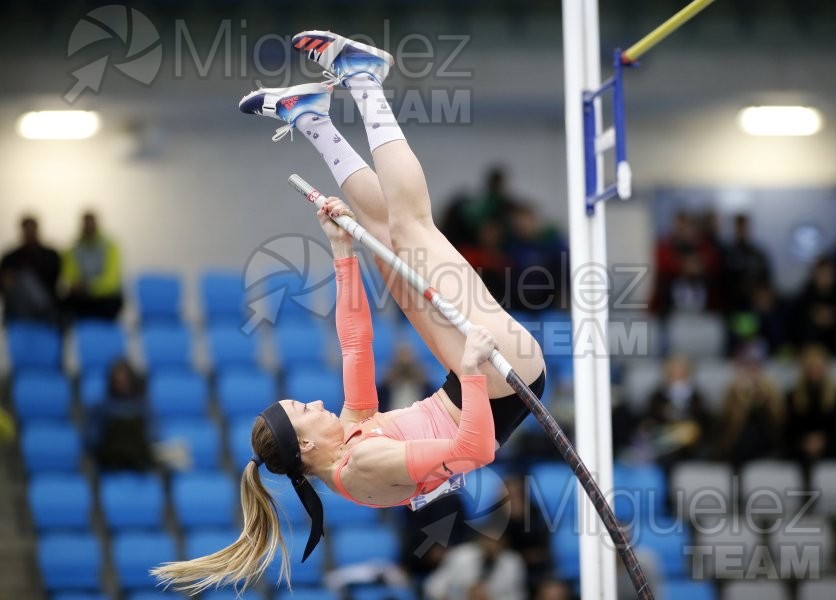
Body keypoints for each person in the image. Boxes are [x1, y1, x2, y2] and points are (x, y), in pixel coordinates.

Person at [152, 31, 546, 594]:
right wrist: (477, 371)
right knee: (413, 226)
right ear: (306, 445)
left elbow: (356, 345)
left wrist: (342, 251)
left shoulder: (349, 440)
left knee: (381, 235)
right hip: (499, 378)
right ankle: (363, 78)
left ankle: (313, 118)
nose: (314, 401)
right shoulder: (360, 467)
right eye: (304, 408)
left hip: (471, 376)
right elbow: (476, 450)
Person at [423, 516, 527, 600]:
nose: (491, 545)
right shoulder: (460, 555)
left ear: (504, 541)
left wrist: (489, 597)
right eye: (488, 539)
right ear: (480, 538)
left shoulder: (513, 563)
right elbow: (433, 586)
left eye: (496, 540)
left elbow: (518, 595)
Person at [635, 356, 711, 467]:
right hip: (663, 446)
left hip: (691, 448)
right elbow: (649, 421)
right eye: (673, 372)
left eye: (681, 372)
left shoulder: (697, 398)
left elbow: (703, 423)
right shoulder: (657, 397)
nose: (676, 376)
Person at [86, 359, 157, 471]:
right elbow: (93, 439)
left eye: (125, 380)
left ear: (132, 380)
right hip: (109, 463)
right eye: (118, 381)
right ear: (111, 382)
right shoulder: (101, 407)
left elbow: (153, 436)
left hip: (140, 465)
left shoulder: (143, 407)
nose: (122, 384)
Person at [784, 346, 836, 463]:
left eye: (818, 367)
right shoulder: (792, 397)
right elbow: (787, 432)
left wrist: (824, 442)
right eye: (811, 367)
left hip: (832, 455)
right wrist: (805, 443)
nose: (814, 371)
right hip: (799, 455)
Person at [715, 352, 784, 466]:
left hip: (766, 447)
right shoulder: (731, 394)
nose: (750, 376)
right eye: (747, 370)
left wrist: (765, 399)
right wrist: (739, 399)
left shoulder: (769, 394)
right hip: (736, 450)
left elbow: (777, 424)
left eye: (754, 370)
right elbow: (725, 426)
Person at [61, 211, 124, 321]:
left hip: (105, 298)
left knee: (115, 300)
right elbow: (69, 275)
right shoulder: (73, 248)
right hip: (82, 298)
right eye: (86, 224)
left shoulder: (110, 247)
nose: (88, 227)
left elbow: (112, 280)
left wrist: (90, 287)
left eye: (91, 223)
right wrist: (76, 285)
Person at [0, 215, 61, 324]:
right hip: (19, 307)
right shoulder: (10, 257)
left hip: (44, 304)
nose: (30, 233)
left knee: (26, 277)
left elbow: (54, 281)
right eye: (27, 230)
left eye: (32, 229)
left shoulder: (50, 255)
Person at [722, 214, 771, 313]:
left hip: (754, 305)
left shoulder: (757, 254)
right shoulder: (727, 254)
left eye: (743, 227)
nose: (741, 231)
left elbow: (766, 279)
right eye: (739, 227)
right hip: (732, 305)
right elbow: (722, 280)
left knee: (750, 327)